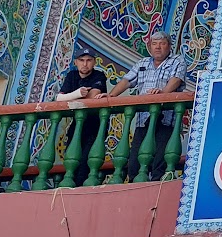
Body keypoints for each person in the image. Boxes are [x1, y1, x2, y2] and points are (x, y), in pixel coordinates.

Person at [109, 31, 188, 180]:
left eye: (162, 43)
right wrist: (111, 96)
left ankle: (157, 185)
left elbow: (176, 80)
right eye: (154, 44)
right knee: (135, 159)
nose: (158, 47)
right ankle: (134, 184)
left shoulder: (177, 60)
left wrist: (162, 94)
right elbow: (126, 81)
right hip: (143, 119)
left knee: (160, 157)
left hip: (166, 119)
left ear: (169, 46)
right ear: (149, 47)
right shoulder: (143, 63)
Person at [54, 46, 108, 186]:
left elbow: (91, 97)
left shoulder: (99, 76)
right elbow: (59, 99)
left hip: (94, 126)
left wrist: (72, 97)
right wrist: (78, 93)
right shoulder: (72, 76)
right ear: (76, 62)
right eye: (81, 60)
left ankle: (78, 188)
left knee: (85, 162)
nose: (85, 64)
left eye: (89, 60)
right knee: (71, 160)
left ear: (94, 62)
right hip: (77, 125)